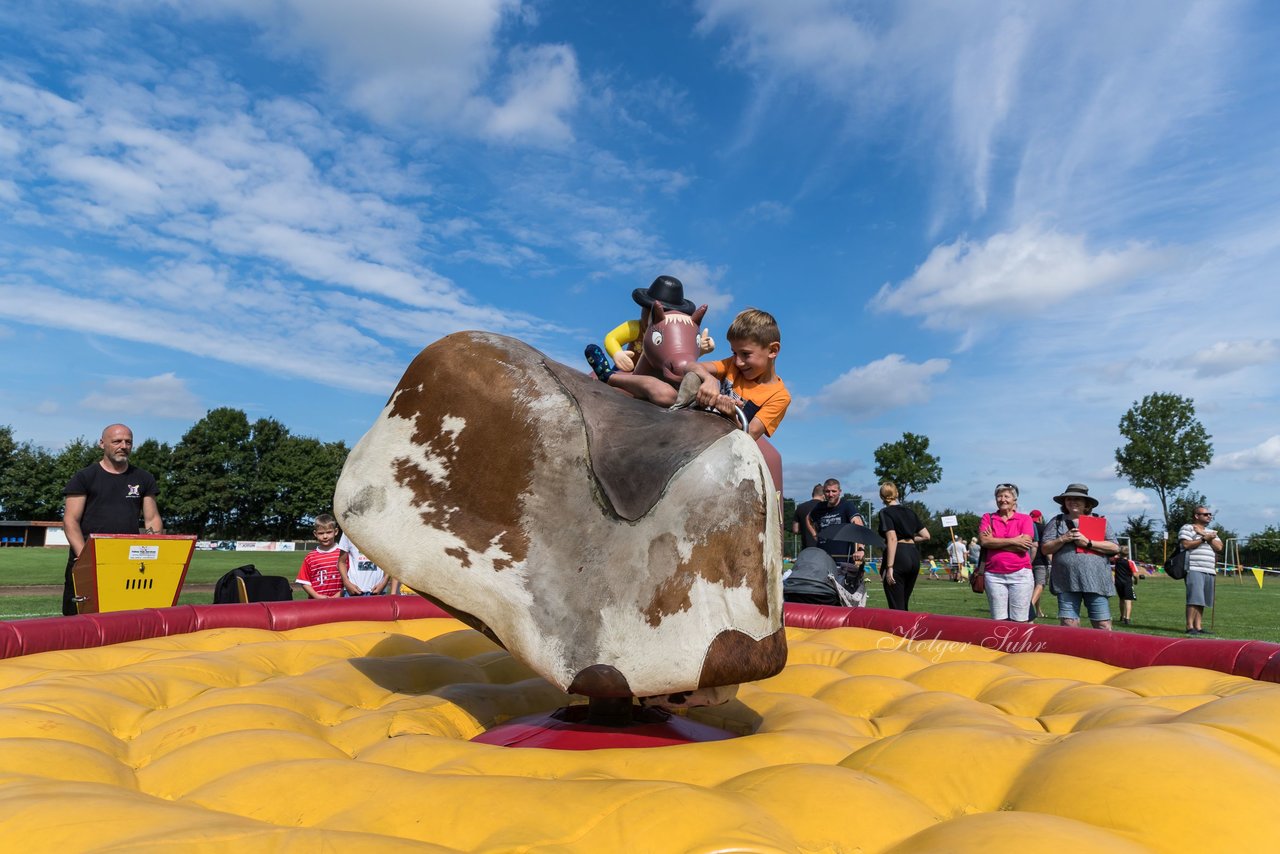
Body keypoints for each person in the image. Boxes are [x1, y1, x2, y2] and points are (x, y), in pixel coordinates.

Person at [61, 423, 163, 616]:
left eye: (128, 442)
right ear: (102, 444)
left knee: (125, 618)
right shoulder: (84, 477)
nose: (123, 445)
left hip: (127, 562)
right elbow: (70, 521)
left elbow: (152, 519)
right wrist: (85, 559)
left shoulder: (144, 478)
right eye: (117, 441)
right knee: (78, 620)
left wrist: (154, 552)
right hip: (86, 561)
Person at [584, 274, 713, 379]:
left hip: (658, 374)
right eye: (652, 311)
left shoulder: (673, 334)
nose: (656, 317)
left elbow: (677, 354)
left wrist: (699, 348)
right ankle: (607, 376)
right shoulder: (637, 327)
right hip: (629, 370)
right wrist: (617, 354)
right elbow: (612, 338)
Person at [1040, 483, 1120, 630]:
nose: (1072, 501)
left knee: (1102, 624)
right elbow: (1045, 549)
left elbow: (1114, 547)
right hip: (1066, 581)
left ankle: (1103, 653)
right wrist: (1063, 539)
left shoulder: (1100, 522)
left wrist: (1088, 543)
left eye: (1078, 499)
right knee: (1069, 624)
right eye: (1069, 499)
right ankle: (1072, 653)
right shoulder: (1056, 522)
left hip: (1096, 582)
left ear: (1087, 504)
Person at [977, 483, 1034, 622]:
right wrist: (1014, 541)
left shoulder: (1025, 519)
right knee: (998, 620)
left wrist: (994, 542)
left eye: (1006, 496)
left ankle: (1018, 644)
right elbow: (984, 542)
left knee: (1020, 619)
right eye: (999, 496)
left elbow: (1024, 545)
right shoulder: (988, 517)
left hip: (1020, 574)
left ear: (1014, 500)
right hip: (994, 575)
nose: (1002, 499)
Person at [876, 481, 929, 611]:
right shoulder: (910, 512)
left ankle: (900, 631)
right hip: (913, 555)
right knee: (904, 603)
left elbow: (892, 538)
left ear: (882, 497)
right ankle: (908, 631)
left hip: (898, 556)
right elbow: (926, 535)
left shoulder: (885, 512)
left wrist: (889, 567)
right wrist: (909, 538)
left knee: (896, 606)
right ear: (897, 493)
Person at [1180, 505, 1222, 636]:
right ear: (1196, 516)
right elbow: (1186, 544)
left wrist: (1204, 534)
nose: (1209, 516)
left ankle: (1198, 626)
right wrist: (1204, 539)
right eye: (1205, 514)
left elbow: (1219, 547)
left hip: (1209, 569)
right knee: (1194, 598)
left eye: (1210, 514)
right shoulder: (1188, 528)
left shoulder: (1211, 532)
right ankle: (1189, 626)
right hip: (1194, 567)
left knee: (1202, 599)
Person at [806, 479, 865, 565]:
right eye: (827, 491)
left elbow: (858, 525)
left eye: (834, 491)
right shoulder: (820, 507)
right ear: (823, 492)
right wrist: (815, 535)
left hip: (844, 560)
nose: (830, 494)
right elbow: (808, 519)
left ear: (839, 491)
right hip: (823, 558)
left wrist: (860, 549)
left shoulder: (846, 506)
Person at [296, 514, 344, 599]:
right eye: (321, 533)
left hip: (341, 602)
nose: (325, 536)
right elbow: (304, 581)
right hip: (317, 604)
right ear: (315, 534)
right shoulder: (310, 557)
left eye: (329, 532)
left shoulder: (343, 554)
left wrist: (340, 594)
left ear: (336, 531)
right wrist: (317, 596)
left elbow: (351, 579)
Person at [1028, 509, 1050, 619]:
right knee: (1040, 585)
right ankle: (1029, 607)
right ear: (1040, 518)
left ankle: (1038, 611)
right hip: (1041, 560)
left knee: (1034, 587)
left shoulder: (1027, 527)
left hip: (1028, 560)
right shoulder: (1044, 528)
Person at [792, 484, 824, 553]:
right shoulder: (826, 507)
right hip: (822, 548)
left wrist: (804, 530)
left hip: (806, 548)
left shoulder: (800, 507)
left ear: (812, 494)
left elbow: (795, 530)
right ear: (824, 495)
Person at [1112, 553, 1138, 626]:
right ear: (1128, 553)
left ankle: (1122, 616)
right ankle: (1127, 618)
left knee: (1121, 599)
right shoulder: (1130, 562)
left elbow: (1112, 556)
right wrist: (1136, 580)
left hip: (1118, 583)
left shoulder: (1116, 561)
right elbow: (1135, 574)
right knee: (1128, 600)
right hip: (1127, 583)